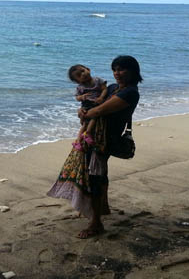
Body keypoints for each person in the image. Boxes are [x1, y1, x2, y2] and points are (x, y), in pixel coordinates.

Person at [48, 55, 142, 239]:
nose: (117, 73)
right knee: (98, 175)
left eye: (122, 69)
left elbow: (99, 110)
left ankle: (96, 223)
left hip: (104, 140)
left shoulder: (130, 92)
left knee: (94, 177)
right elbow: (91, 103)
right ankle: (100, 208)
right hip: (95, 136)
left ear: (133, 71)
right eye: (115, 69)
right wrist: (81, 110)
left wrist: (87, 112)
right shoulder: (115, 88)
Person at [67, 64, 107, 147]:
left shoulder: (98, 80)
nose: (83, 74)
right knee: (85, 123)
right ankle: (78, 141)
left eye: (82, 71)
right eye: (79, 75)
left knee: (94, 117)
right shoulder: (80, 87)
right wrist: (82, 97)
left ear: (88, 69)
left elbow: (104, 89)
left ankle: (87, 133)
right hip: (86, 104)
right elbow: (77, 97)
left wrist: (101, 97)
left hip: (96, 103)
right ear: (78, 81)